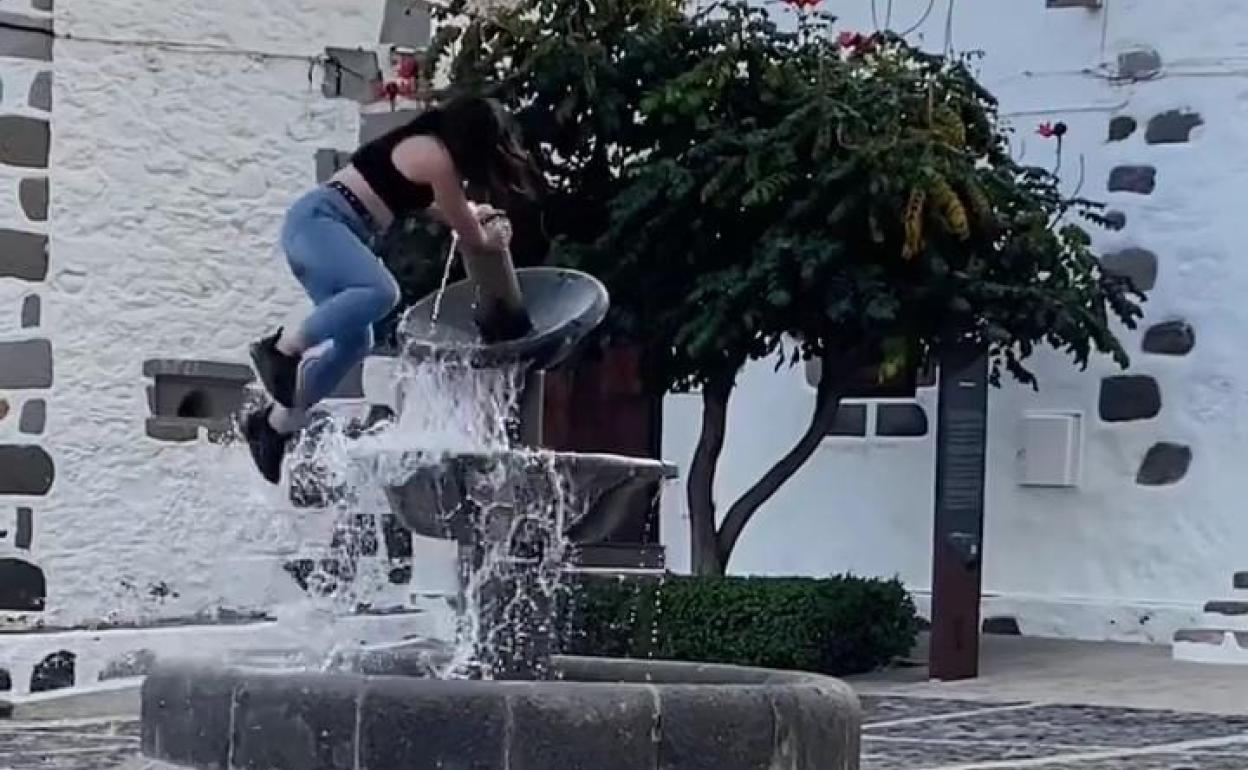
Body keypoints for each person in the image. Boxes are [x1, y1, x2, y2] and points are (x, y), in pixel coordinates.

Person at [241, 94, 540, 484]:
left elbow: (439, 208)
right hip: (320, 223)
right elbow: (469, 235)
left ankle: (274, 425)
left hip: (326, 234)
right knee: (382, 292)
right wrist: (492, 237)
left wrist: (472, 214)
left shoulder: (425, 151)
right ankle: (281, 350)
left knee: (357, 341)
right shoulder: (435, 156)